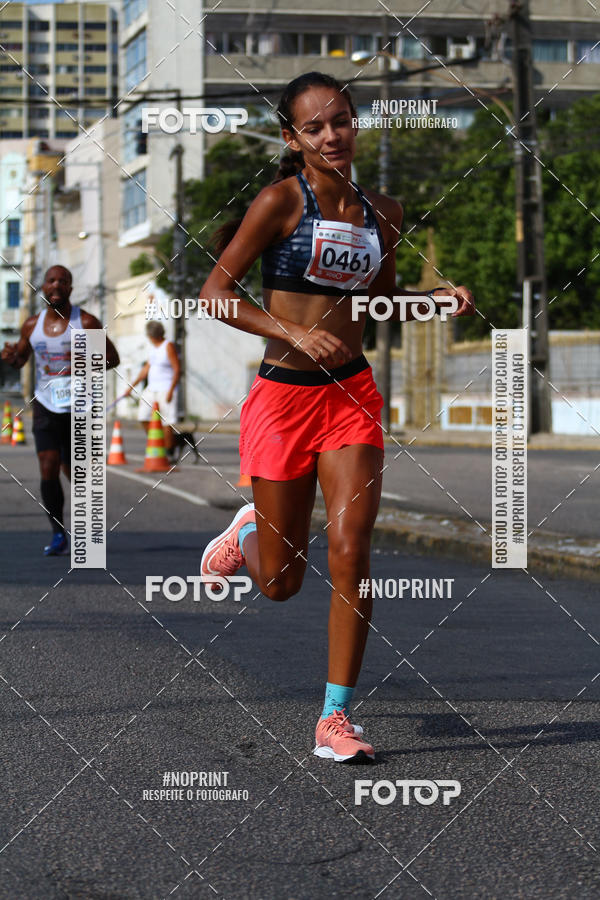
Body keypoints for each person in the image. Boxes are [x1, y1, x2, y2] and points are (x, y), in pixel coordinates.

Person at [200, 72, 475, 762]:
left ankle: (335, 718)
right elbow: (214, 295)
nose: (333, 136)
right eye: (315, 127)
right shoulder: (278, 203)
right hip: (283, 401)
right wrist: (292, 333)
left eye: (342, 121)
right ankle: (249, 530)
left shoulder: (386, 211)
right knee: (281, 583)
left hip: (351, 398)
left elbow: (375, 307)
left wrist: (433, 300)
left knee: (352, 550)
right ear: (292, 139)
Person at [1, 265, 120, 555]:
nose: (56, 285)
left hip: (81, 407)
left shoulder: (86, 322)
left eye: (63, 281)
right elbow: (21, 360)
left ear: (70, 288)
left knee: (76, 472)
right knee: (48, 466)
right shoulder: (32, 325)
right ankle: (58, 534)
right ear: (43, 287)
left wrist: (86, 361)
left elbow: (112, 359)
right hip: (45, 406)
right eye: (51, 280)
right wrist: (9, 358)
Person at [124, 321, 180, 458]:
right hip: (151, 388)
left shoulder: (168, 346)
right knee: (143, 416)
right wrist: (131, 386)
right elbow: (146, 369)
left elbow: (177, 369)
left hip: (166, 388)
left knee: (167, 420)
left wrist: (171, 390)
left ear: (151, 335)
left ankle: (169, 452)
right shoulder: (153, 349)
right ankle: (157, 442)